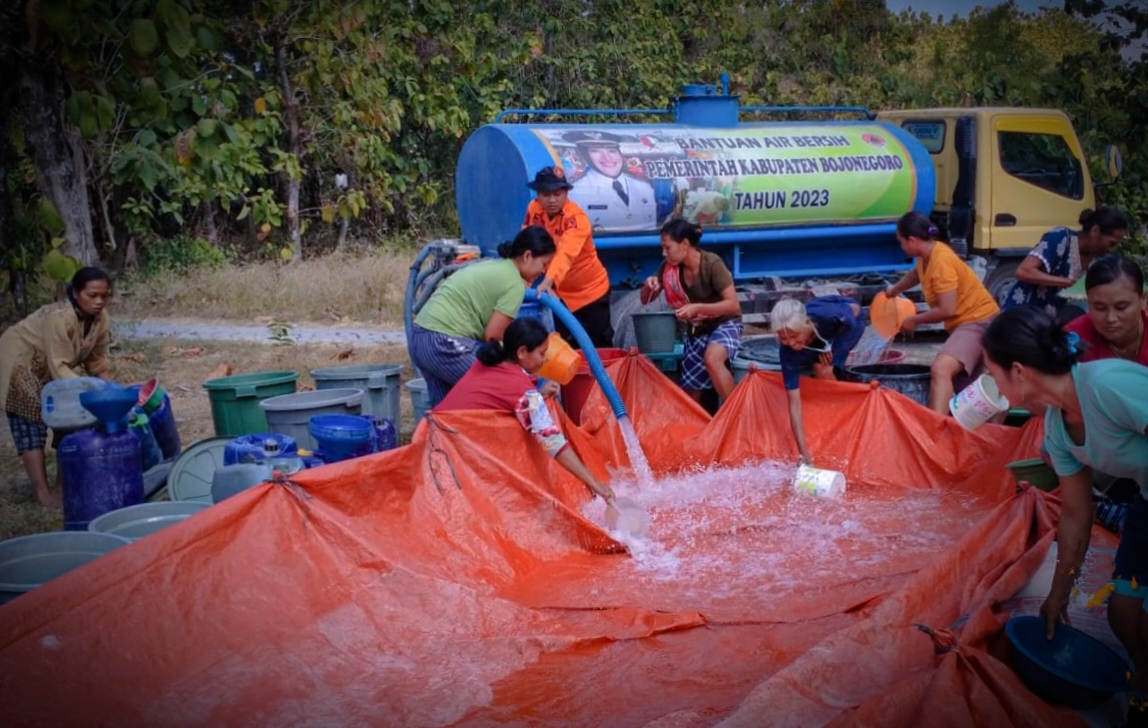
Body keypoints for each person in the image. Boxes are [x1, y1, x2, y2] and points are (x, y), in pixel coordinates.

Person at [981, 306, 1148, 697]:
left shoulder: (1106, 384)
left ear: (1019, 371)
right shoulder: (1057, 430)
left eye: (993, 374)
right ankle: (1143, 686)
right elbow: (1075, 515)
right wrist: (1059, 595)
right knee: (1124, 615)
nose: (994, 387)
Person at [436, 317, 616, 504]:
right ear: (522, 352)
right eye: (541, 353)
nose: (545, 359)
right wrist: (595, 484)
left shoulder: (490, 362)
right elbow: (552, 442)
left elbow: (502, 393)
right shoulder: (521, 390)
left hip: (436, 434)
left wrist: (537, 395)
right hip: (449, 452)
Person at [0, 267, 114, 508]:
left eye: (104, 296)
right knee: (30, 423)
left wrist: (116, 393)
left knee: (72, 420)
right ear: (75, 293)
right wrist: (94, 392)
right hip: (19, 361)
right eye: (92, 295)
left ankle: (63, 486)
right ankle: (43, 493)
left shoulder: (101, 319)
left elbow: (97, 364)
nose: (99, 301)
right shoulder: (59, 317)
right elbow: (59, 367)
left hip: (52, 368)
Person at [410, 226, 554, 407]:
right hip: (443, 341)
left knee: (447, 414)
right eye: (543, 264)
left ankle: (435, 436)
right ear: (527, 256)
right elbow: (493, 336)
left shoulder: (497, 265)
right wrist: (518, 366)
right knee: (497, 385)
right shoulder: (514, 283)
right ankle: (533, 408)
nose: (543, 272)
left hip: (421, 337)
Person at [884, 211, 1000, 414]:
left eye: (901, 242)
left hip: (977, 320)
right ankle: (957, 427)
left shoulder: (941, 261)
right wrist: (896, 289)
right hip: (966, 323)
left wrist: (914, 320)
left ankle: (934, 429)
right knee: (963, 386)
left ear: (912, 240)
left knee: (941, 368)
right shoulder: (928, 254)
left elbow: (947, 309)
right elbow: (916, 274)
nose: (901, 247)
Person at [640, 219, 742, 403]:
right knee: (691, 395)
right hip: (696, 332)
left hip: (724, 324)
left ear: (685, 244)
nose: (664, 253)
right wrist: (648, 285)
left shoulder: (712, 264)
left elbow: (733, 305)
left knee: (712, 359)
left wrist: (699, 307)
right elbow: (645, 299)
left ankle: (737, 415)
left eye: (667, 248)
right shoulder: (668, 269)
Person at [522, 166, 615, 349]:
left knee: (599, 347)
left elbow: (566, 253)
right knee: (559, 347)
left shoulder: (577, 218)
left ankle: (605, 377)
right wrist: (525, 277)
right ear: (538, 194)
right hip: (559, 294)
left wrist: (548, 280)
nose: (552, 200)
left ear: (566, 193)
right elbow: (528, 242)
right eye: (546, 194)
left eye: (557, 194)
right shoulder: (533, 209)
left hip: (590, 292)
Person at [771, 296, 865, 465]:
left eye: (794, 336)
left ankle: (845, 413)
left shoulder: (827, 316)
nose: (791, 343)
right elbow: (794, 402)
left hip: (849, 323)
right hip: (816, 337)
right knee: (813, 362)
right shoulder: (787, 351)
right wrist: (803, 452)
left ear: (807, 324)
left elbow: (855, 311)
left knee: (823, 368)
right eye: (783, 338)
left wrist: (832, 347)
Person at [1003, 206, 1129, 323]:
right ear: (1095, 231)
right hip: (1022, 318)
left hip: (1049, 324)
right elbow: (1023, 271)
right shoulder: (1061, 238)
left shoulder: (1098, 259)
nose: (1111, 249)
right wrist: (1065, 282)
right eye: (1111, 243)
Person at [565, 131, 657, 232]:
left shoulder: (644, 186)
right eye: (595, 151)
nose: (607, 158)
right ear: (585, 156)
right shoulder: (574, 193)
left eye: (612, 151)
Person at [1064, 254, 1147, 366]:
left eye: (1121, 307)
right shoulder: (1073, 337)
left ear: (1142, 299)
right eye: (1100, 308)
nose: (1110, 318)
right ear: (1088, 302)